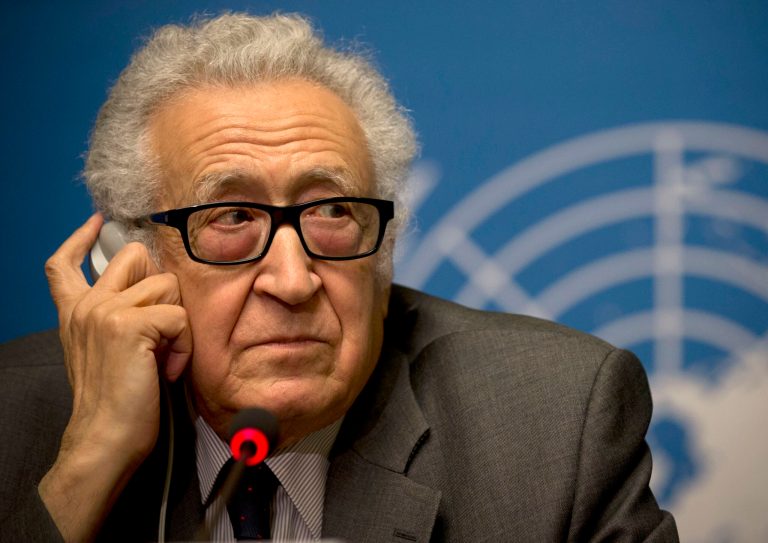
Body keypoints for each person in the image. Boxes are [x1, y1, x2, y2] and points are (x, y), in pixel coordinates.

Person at [0, 12, 678, 542]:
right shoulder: (14, 418)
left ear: (383, 247)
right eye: (232, 215)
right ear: (134, 259)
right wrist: (88, 463)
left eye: (331, 211)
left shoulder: (555, 423)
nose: (294, 281)